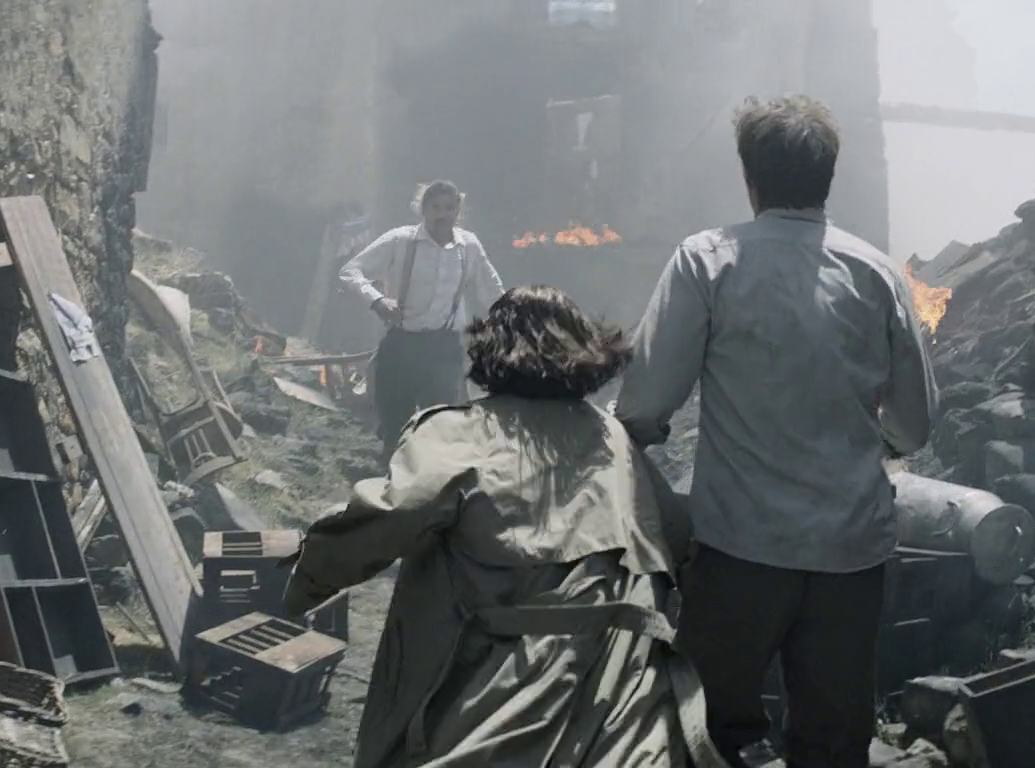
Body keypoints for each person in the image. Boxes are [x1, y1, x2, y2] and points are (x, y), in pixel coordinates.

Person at [613, 95, 937, 768]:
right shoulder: (876, 272)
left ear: (749, 177)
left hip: (740, 548)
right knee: (833, 740)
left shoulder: (708, 261)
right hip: (850, 554)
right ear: (828, 177)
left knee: (705, 733)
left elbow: (643, 406)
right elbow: (913, 425)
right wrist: (872, 445)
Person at [282, 285, 729, 768]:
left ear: (490, 349)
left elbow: (383, 519)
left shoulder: (458, 432)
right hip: (624, 700)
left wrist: (298, 587)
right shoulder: (615, 439)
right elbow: (675, 538)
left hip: (507, 688)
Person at [338, 180, 506, 458]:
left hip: (444, 348)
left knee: (438, 425)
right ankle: (390, 472)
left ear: (458, 211)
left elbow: (492, 291)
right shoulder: (401, 240)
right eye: (436, 207)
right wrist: (378, 301)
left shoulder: (468, 246)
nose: (442, 215)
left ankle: (429, 478)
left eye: (449, 208)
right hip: (403, 342)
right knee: (395, 424)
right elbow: (350, 272)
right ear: (423, 209)